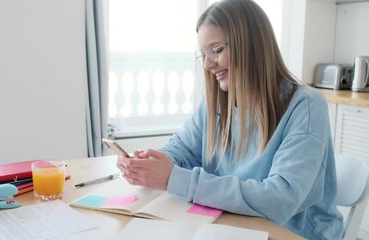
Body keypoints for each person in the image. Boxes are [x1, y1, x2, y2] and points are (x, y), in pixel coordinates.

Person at [116, 0, 344, 239]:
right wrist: (154, 163)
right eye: (203, 54)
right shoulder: (218, 102)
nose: (207, 64)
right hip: (234, 224)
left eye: (216, 50)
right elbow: (183, 148)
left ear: (252, 45)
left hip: (293, 233)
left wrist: (176, 179)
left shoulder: (305, 106)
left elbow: (280, 199)